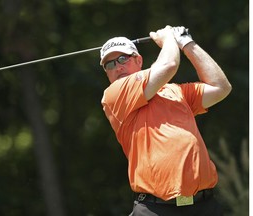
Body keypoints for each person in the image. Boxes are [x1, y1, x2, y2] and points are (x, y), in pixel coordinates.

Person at [99, 25, 232, 216]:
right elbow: (169, 65)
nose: (118, 67)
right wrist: (169, 37)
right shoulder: (114, 95)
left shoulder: (175, 91)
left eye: (122, 58)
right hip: (156, 209)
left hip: (204, 206)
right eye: (109, 64)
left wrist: (186, 43)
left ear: (138, 60)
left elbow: (221, 87)